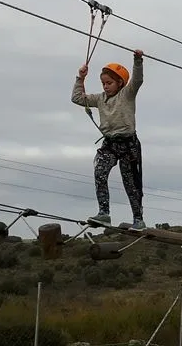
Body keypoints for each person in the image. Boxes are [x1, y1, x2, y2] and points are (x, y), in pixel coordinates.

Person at [72, 49, 146, 230]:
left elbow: (137, 80)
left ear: (120, 83)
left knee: (131, 183)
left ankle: (138, 219)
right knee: (100, 172)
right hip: (110, 144)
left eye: (109, 83)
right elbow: (77, 98)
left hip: (128, 144)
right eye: (103, 83)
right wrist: (80, 78)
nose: (105, 86)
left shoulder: (127, 94)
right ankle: (104, 213)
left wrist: (137, 61)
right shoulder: (99, 99)